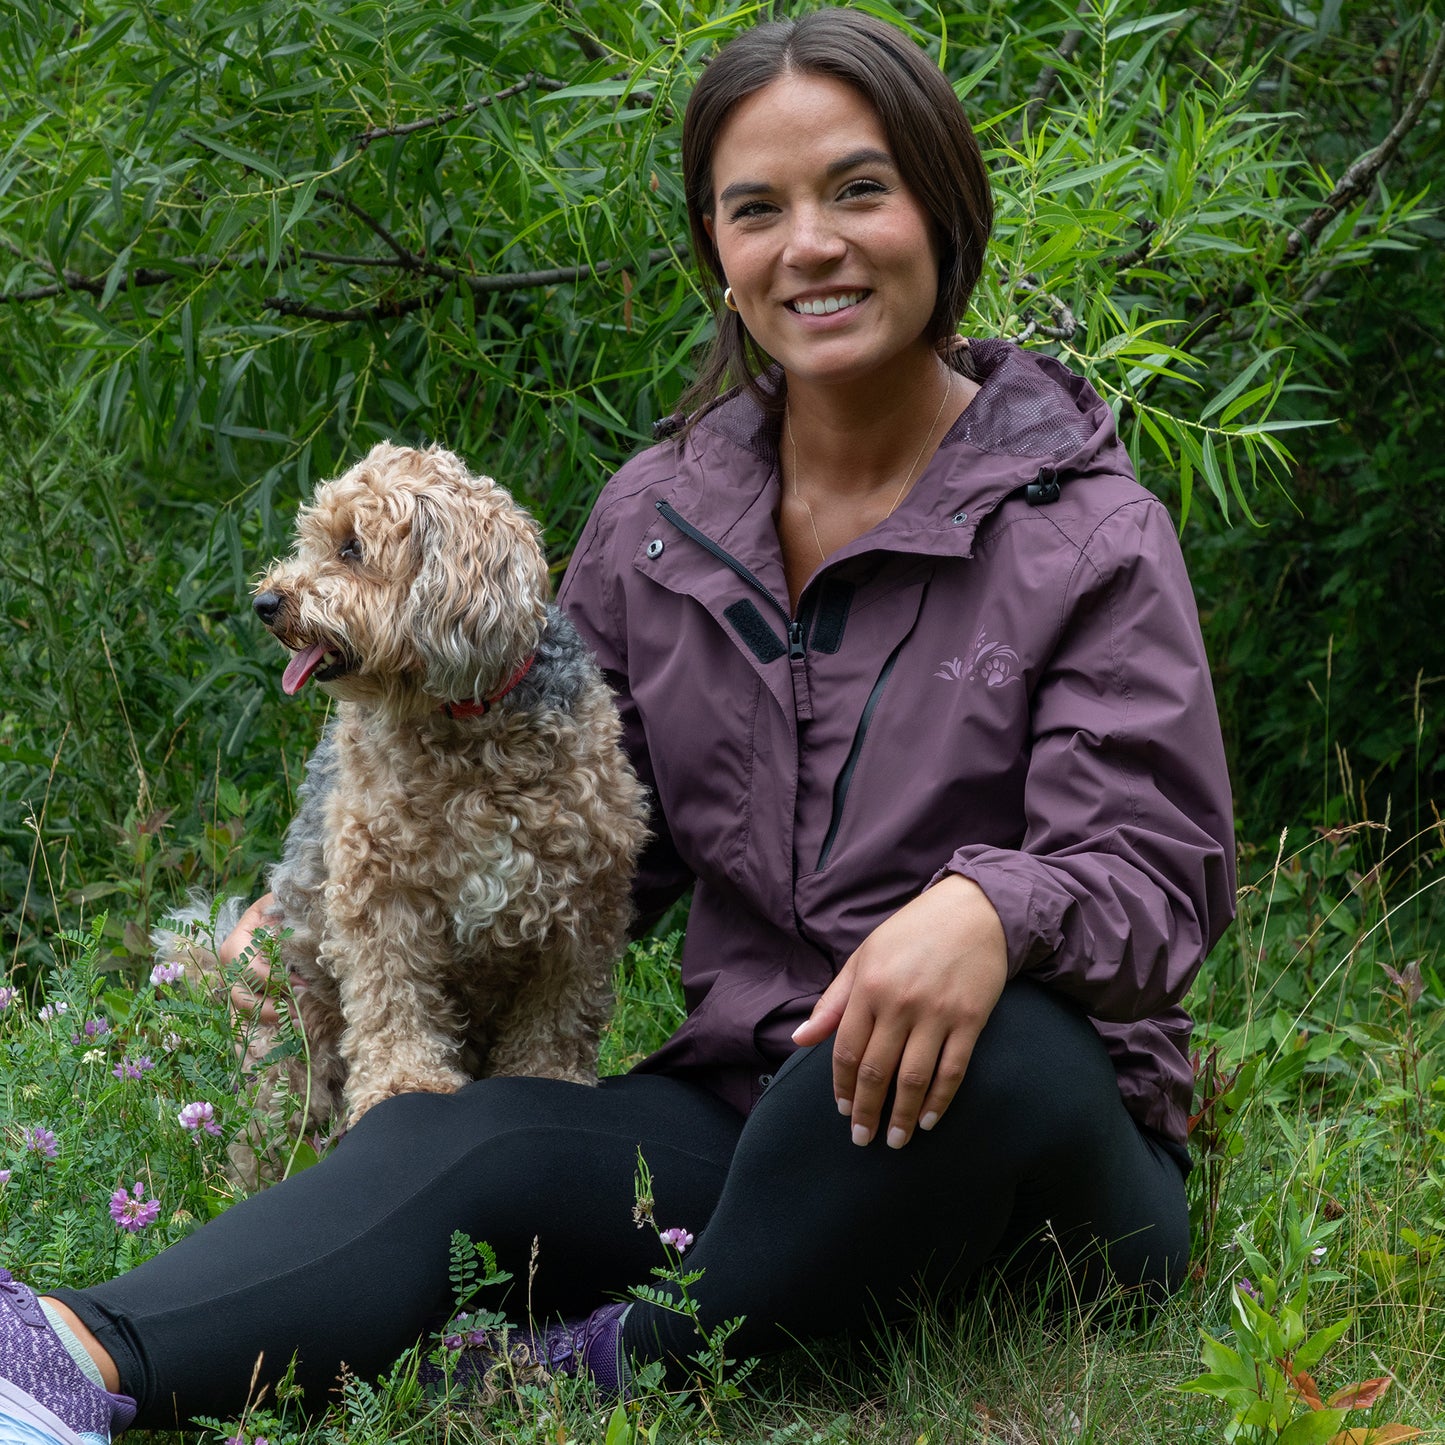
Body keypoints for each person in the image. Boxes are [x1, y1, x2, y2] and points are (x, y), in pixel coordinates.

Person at [0, 9, 1235, 1441]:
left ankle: (608, 1359)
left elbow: (1161, 878)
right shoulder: (660, 519)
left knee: (994, 1035)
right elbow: (585, 833)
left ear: (940, 210)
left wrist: (984, 909)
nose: (808, 246)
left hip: (1032, 1150)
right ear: (714, 252)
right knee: (456, 1131)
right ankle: (71, 1358)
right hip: (746, 1104)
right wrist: (322, 907)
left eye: (856, 189)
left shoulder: (1082, 532)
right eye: (753, 209)